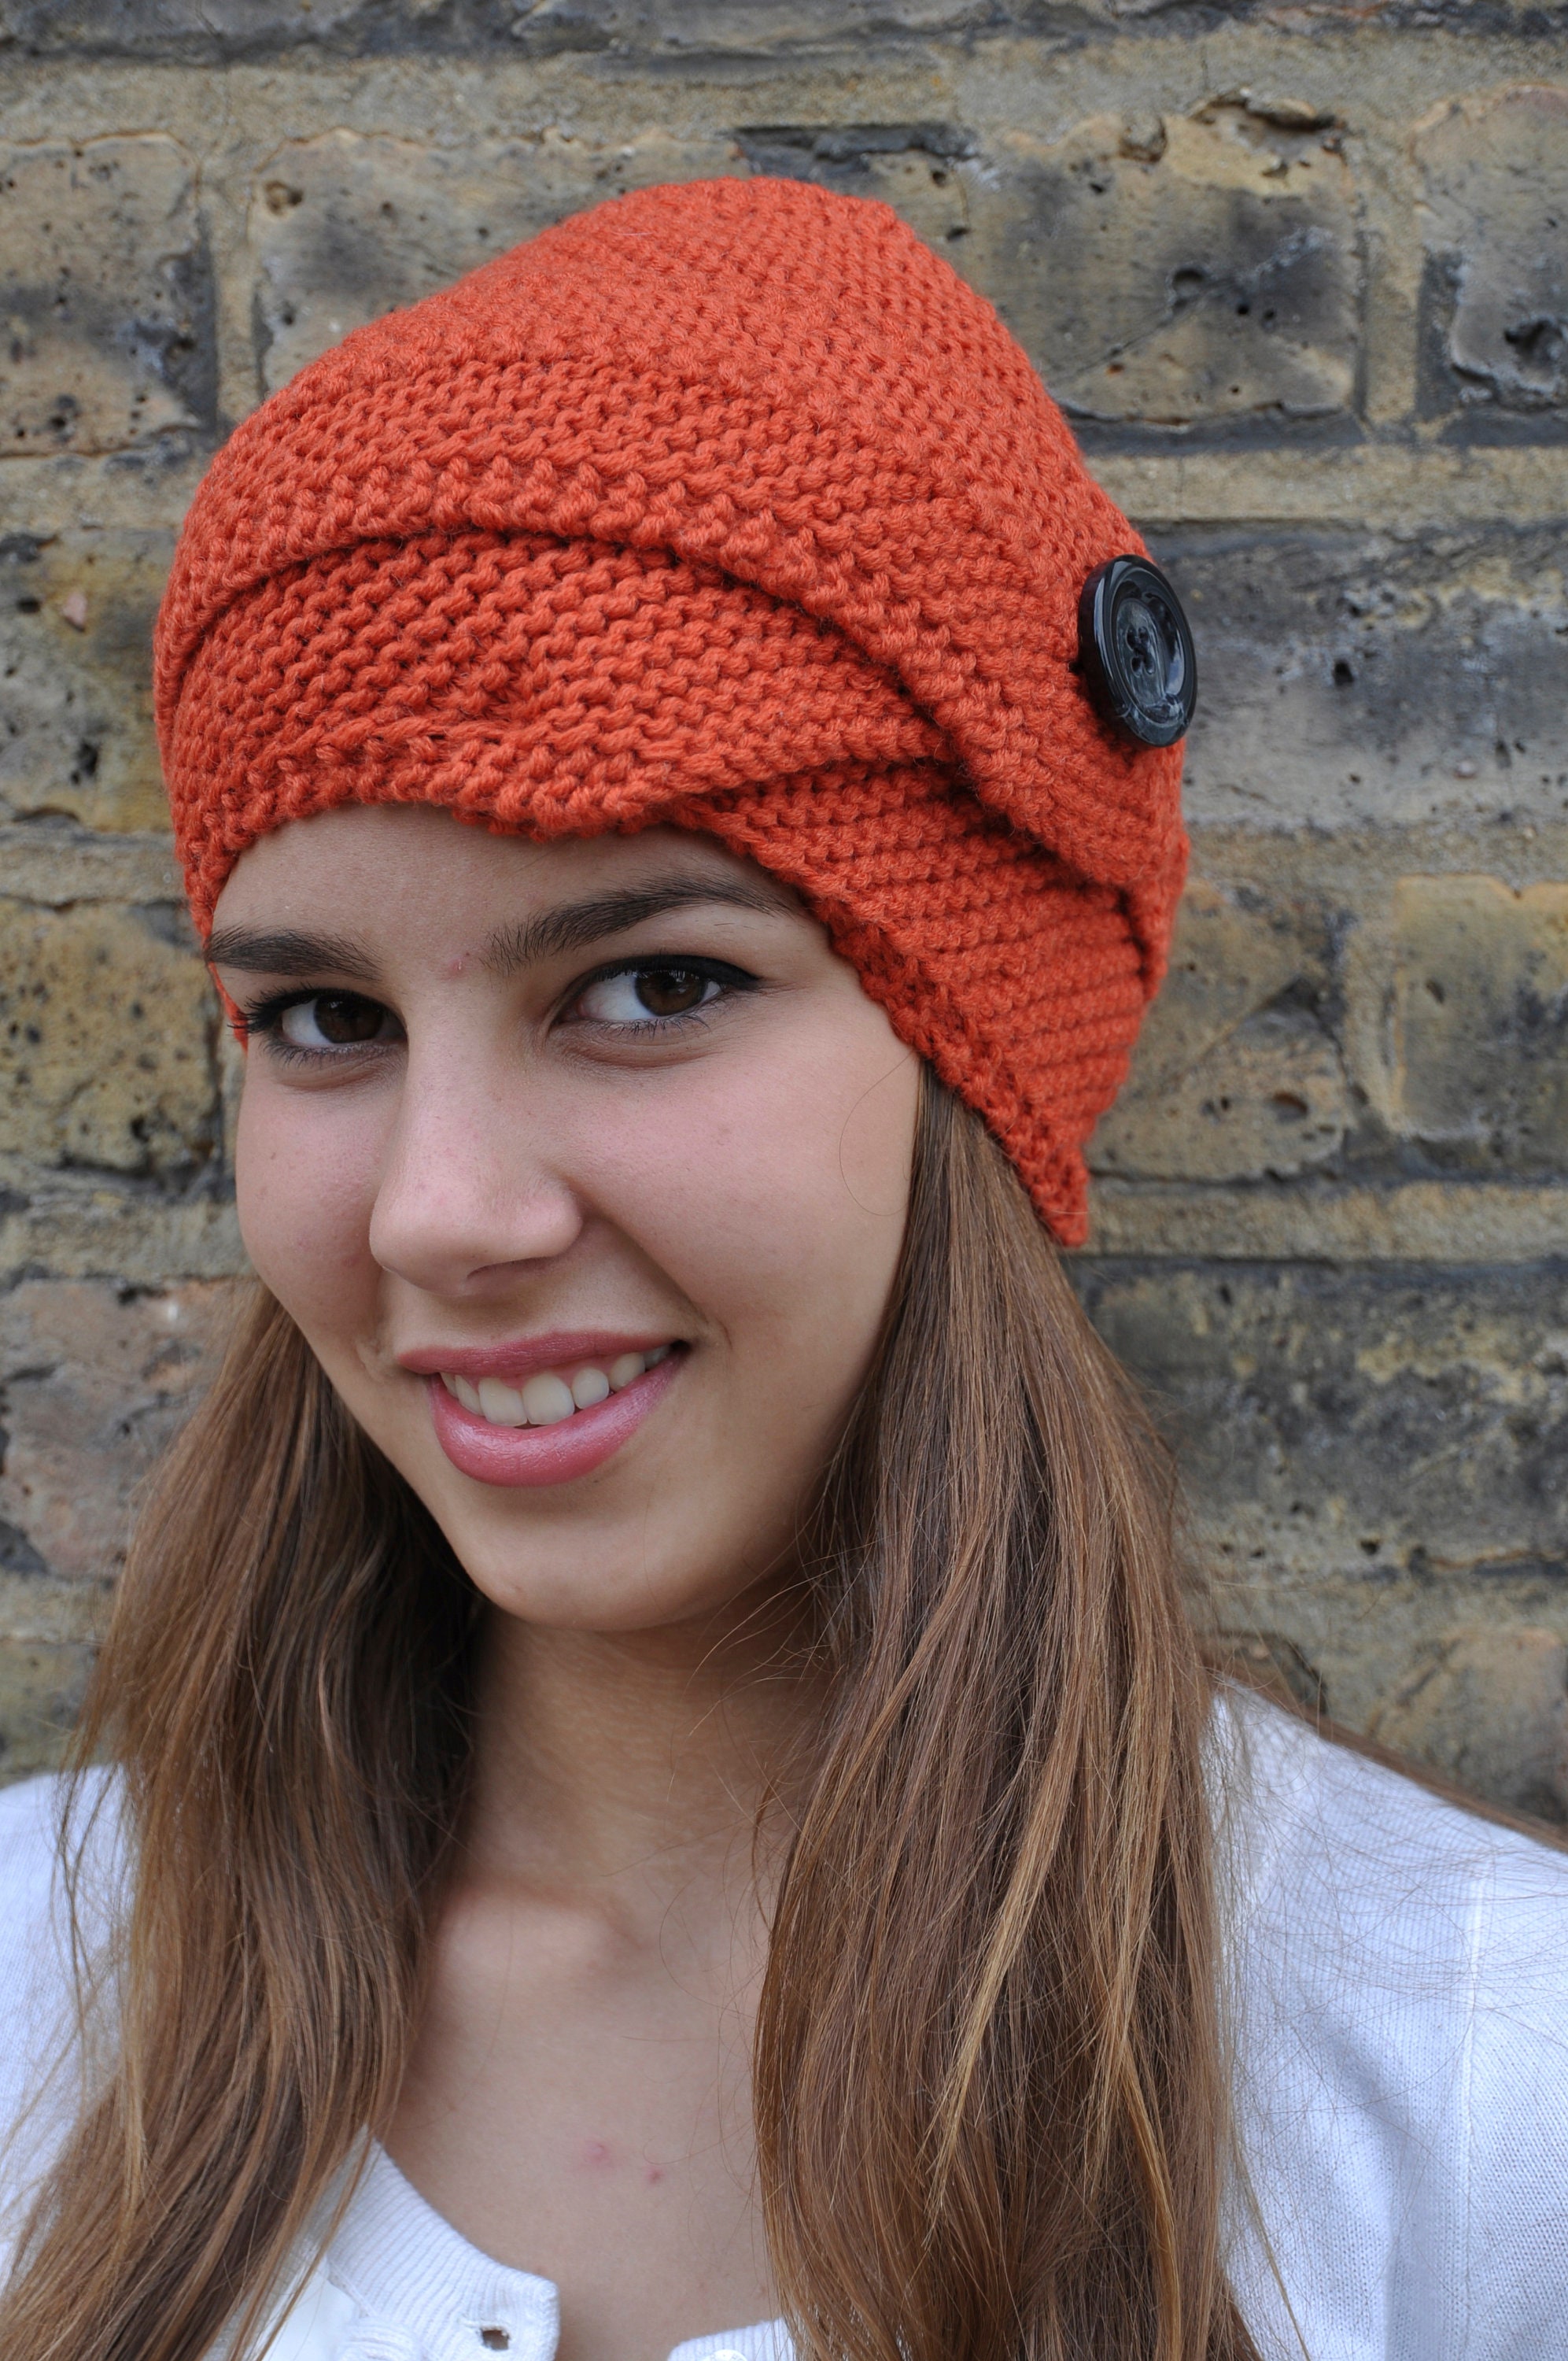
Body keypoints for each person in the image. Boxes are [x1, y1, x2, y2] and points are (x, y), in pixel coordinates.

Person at [0, 176, 1564, 2361]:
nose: (441, 1210)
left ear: (969, 1058)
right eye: (325, 1018)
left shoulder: (1480, 2084)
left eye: (651, 987)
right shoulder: (40, 1987)